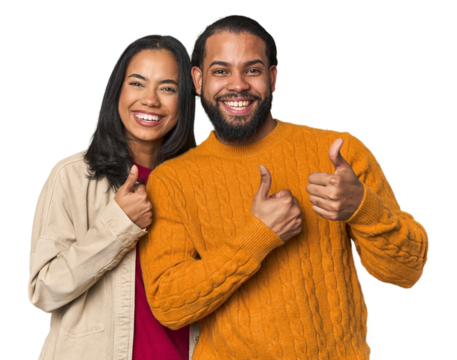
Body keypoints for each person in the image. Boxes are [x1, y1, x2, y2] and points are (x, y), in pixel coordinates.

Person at [139, 14, 430, 360]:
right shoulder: (173, 180)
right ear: (198, 80)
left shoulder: (340, 152)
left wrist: (363, 208)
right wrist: (257, 238)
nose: (238, 85)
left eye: (252, 70)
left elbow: (406, 273)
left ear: (272, 77)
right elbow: (170, 306)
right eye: (220, 71)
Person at [27, 33, 200, 360]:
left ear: (185, 100)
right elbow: (43, 291)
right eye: (137, 83)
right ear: (117, 91)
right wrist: (117, 226)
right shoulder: (73, 175)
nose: (150, 100)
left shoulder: (200, 183)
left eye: (167, 88)